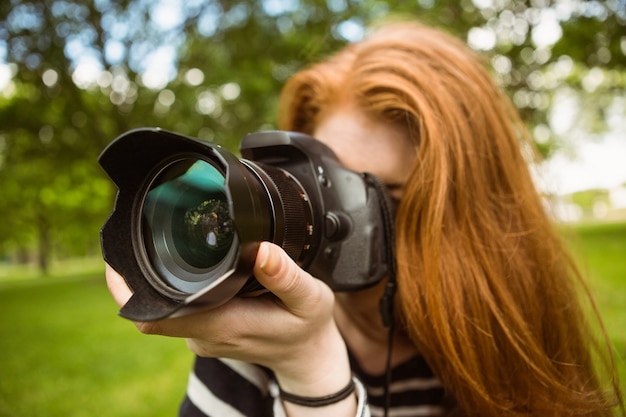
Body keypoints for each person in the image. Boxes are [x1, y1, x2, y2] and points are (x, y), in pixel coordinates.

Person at [105, 20, 624, 417]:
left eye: (384, 197)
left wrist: (316, 374)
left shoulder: (497, 344)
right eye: (327, 184)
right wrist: (303, 361)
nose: (342, 219)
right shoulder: (255, 341)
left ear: (472, 220)